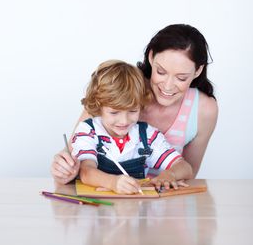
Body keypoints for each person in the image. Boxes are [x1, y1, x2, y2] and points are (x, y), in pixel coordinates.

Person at [51, 24, 218, 184]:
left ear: (198, 70)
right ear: (151, 57)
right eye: (161, 72)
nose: (167, 86)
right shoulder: (123, 86)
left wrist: (169, 176)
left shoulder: (200, 112)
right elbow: (76, 156)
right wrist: (64, 168)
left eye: (181, 78)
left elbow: (188, 172)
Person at [71, 60, 192, 194]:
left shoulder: (147, 136)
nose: (124, 121)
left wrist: (170, 175)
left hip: (137, 209)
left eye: (132, 111)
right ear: (99, 107)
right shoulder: (88, 131)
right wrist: (112, 183)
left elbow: (185, 167)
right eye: (114, 112)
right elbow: (86, 172)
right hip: (98, 208)